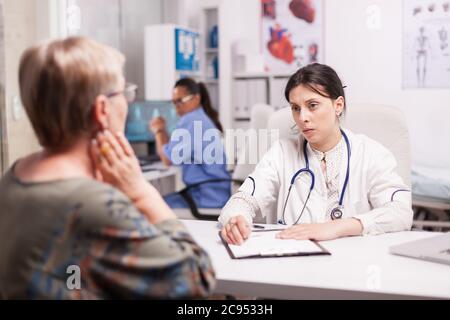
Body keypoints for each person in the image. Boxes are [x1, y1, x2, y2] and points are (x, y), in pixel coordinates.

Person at [0, 37, 215, 299]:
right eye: (125, 93)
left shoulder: (12, 178)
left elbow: (71, 279)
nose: (127, 101)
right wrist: (139, 191)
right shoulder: (94, 204)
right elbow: (197, 280)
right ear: (102, 109)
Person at [219, 63, 413, 245]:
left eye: (312, 105)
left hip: (354, 265)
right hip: (294, 261)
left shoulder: (371, 154)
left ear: (338, 105)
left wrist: (336, 228)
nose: (302, 118)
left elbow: (401, 212)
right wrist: (236, 218)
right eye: (296, 108)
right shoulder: (281, 153)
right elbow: (243, 199)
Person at [149, 78, 231, 209]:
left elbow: (166, 160)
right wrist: (163, 130)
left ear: (196, 98)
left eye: (180, 101)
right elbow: (171, 149)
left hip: (205, 198)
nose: (177, 107)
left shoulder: (191, 120)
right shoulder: (200, 118)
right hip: (216, 194)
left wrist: (158, 130)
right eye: (174, 102)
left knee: (151, 207)